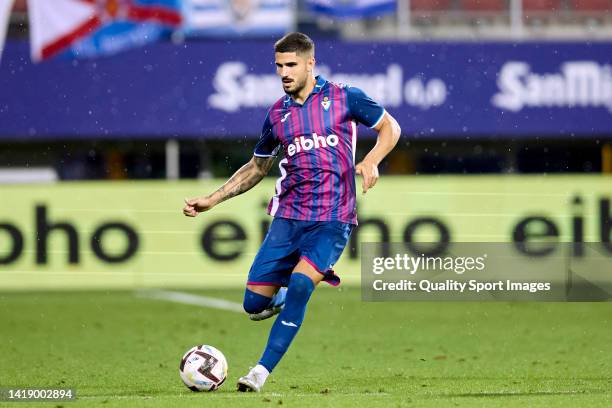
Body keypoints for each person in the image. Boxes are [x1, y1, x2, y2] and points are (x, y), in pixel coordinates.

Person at [183, 32, 401, 392]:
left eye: (291, 65)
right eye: (279, 66)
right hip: (288, 219)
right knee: (254, 304)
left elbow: (389, 127)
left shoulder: (345, 97)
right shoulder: (277, 114)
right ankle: (280, 299)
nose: (284, 73)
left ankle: (259, 372)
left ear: (310, 63)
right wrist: (213, 198)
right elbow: (257, 167)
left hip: (333, 219)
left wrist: (373, 160)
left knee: (301, 283)